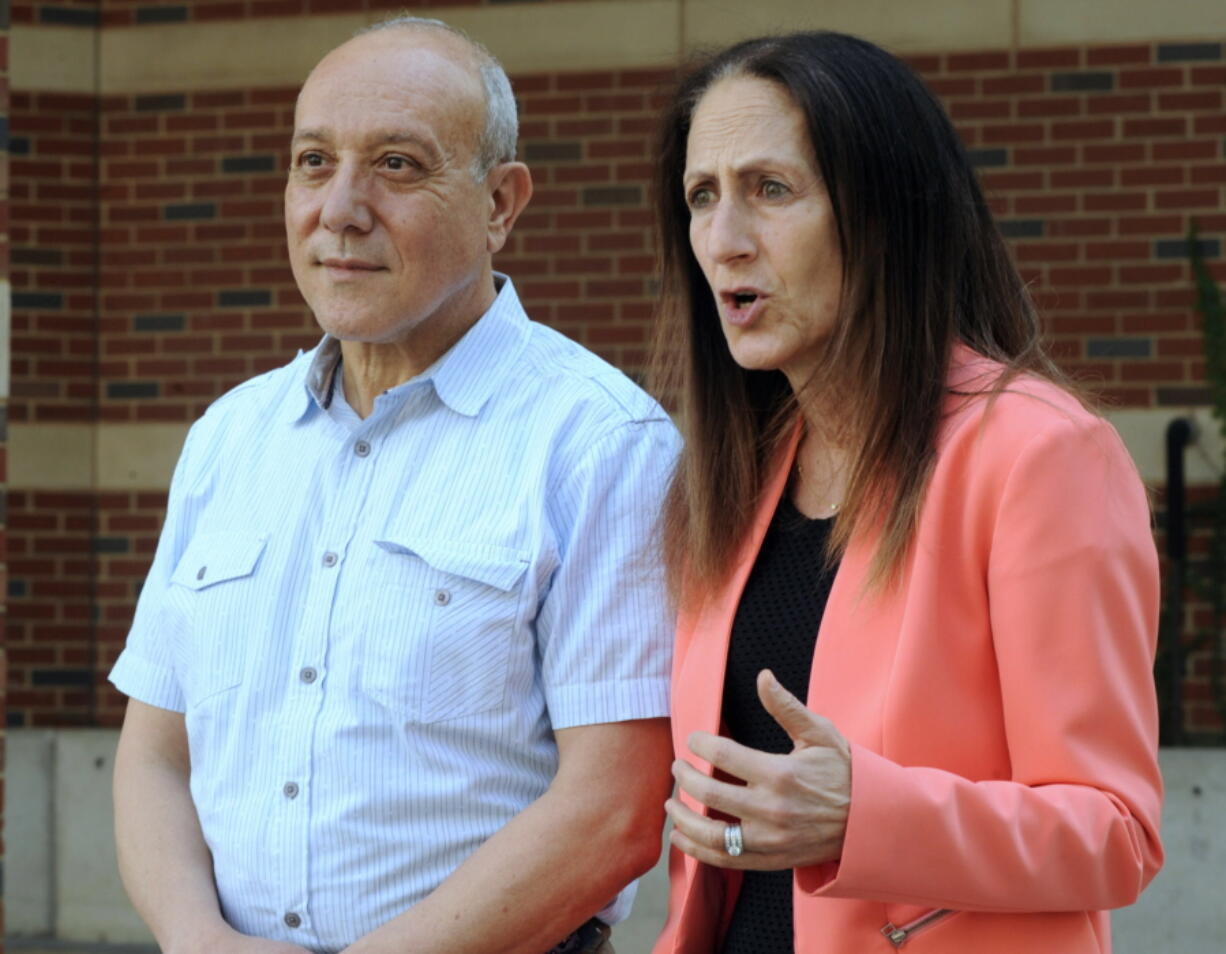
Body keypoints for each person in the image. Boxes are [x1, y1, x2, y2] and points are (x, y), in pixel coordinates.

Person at [109, 17, 677, 954]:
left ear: (500, 202)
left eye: (398, 166)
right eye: (313, 162)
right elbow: (155, 755)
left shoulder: (601, 446)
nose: (339, 208)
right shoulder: (228, 439)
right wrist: (192, 937)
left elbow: (612, 808)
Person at [649, 31, 1163, 954]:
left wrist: (868, 818)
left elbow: (1115, 831)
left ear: (883, 213)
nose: (723, 242)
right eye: (702, 197)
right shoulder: (736, 474)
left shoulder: (1040, 455)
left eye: (771, 190)